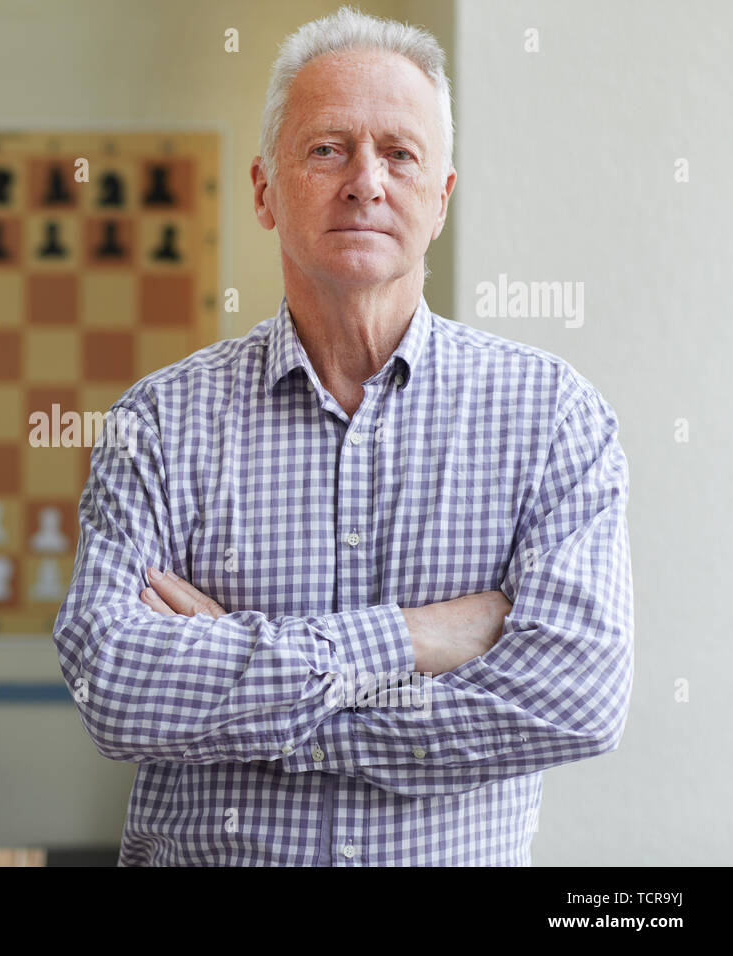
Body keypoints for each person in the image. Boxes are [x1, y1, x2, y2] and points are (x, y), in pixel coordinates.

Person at [52, 6, 633, 866]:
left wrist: (275, 709)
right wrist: (410, 638)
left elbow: (578, 696)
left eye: (400, 153)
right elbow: (118, 689)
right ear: (263, 190)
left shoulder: (552, 418)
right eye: (328, 148)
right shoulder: (158, 425)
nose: (367, 180)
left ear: (440, 199)